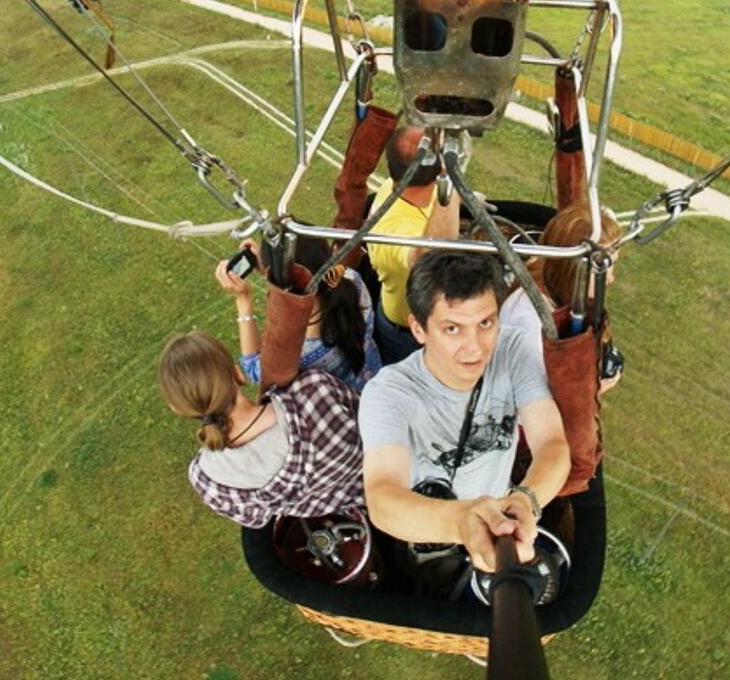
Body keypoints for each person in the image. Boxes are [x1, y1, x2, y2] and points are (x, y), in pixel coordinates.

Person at [359, 251, 571, 573]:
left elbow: (552, 444)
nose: (475, 347)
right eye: (453, 329)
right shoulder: (388, 394)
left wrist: (524, 501)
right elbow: (382, 500)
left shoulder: (513, 350)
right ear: (418, 329)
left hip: (499, 520)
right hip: (426, 531)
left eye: (485, 323)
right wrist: (463, 522)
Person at [158, 330, 364, 528]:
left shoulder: (206, 480)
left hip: (348, 519)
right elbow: (371, 416)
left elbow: (255, 520)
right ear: (237, 373)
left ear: (178, 409)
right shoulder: (314, 392)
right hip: (379, 485)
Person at [216, 233, 381, 394]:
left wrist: (243, 300)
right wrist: (272, 268)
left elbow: (255, 369)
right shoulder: (350, 279)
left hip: (350, 403)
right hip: (376, 375)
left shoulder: (297, 348)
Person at [500, 203, 623, 395]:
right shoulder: (528, 324)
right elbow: (523, 403)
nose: (610, 279)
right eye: (600, 270)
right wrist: (590, 392)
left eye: (612, 265)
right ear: (570, 267)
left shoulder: (554, 288)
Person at [367, 126, 460, 364]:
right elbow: (432, 256)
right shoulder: (391, 230)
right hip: (408, 335)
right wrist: (451, 179)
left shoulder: (399, 183)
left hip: (420, 317)